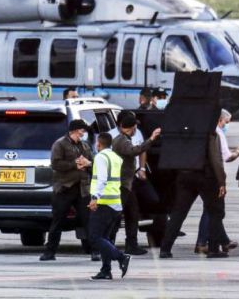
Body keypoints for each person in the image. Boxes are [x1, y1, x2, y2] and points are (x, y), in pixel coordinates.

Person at [160, 114, 228, 259]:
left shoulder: (184, 133)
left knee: (178, 214)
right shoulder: (209, 133)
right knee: (214, 212)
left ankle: (165, 249)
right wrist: (221, 181)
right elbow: (215, 159)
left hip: (185, 175)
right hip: (206, 176)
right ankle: (214, 249)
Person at [40, 119, 94, 261]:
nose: (83, 133)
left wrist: (88, 164)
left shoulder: (85, 146)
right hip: (64, 188)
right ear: (74, 130)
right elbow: (56, 164)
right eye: (81, 130)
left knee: (88, 220)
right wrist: (74, 165)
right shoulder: (60, 144)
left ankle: (94, 250)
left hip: (82, 188)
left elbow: (92, 162)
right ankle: (50, 251)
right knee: (58, 221)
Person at [195, 109, 239, 254]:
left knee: (210, 210)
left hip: (200, 174)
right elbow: (226, 157)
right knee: (213, 211)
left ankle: (222, 241)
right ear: (219, 120)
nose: (226, 126)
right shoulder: (218, 133)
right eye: (226, 122)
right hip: (213, 177)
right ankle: (204, 242)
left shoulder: (204, 130)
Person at [112, 111, 161, 255]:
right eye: (134, 127)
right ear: (131, 128)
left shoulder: (124, 138)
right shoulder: (121, 140)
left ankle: (131, 244)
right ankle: (109, 244)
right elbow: (135, 150)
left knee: (132, 213)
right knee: (116, 215)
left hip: (129, 183)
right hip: (121, 185)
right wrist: (151, 139)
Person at [88, 133, 130, 281]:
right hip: (115, 203)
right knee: (105, 237)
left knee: (94, 236)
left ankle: (121, 257)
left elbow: (102, 179)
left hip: (104, 203)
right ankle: (106, 270)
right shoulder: (115, 157)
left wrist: (95, 198)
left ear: (98, 144)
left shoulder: (100, 157)